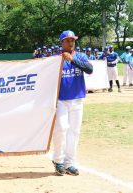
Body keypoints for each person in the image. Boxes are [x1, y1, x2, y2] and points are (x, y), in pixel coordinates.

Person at [52, 30, 93, 176]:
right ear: (61, 43)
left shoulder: (80, 56)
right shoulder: (55, 59)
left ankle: (70, 163)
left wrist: (72, 60)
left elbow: (90, 69)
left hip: (77, 99)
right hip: (61, 100)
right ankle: (58, 160)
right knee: (61, 129)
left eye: (73, 40)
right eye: (67, 40)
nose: (71, 43)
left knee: (74, 132)